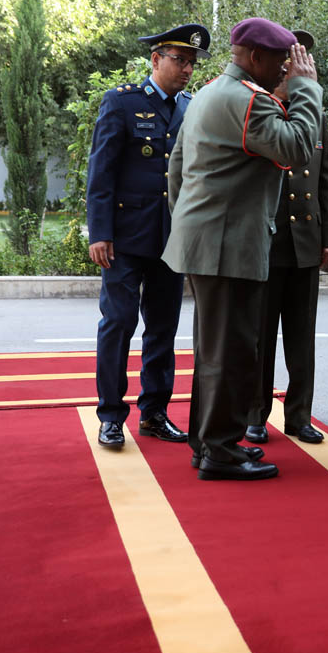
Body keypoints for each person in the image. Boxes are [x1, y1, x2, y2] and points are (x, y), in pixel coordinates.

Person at [163, 17, 321, 481]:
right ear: (255, 57)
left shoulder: (210, 93)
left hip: (209, 242)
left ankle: (208, 443)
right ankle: (220, 451)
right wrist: (306, 89)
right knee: (231, 353)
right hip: (227, 246)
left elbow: (177, 169)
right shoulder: (249, 100)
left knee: (215, 352)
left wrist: (193, 223)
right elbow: (296, 147)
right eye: (281, 61)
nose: (286, 69)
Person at [87, 24, 210, 449]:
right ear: (155, 60)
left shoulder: (191, 108)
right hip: (123, 238)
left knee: (162, 328)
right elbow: (101, 172)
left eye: (191, 62)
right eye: (179, 60)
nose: (187, 69)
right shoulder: (122, 102)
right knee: (118, 323)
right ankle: (110, 415)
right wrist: (100, 232)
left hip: (171, 238)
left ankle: (155, 412)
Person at [246, 29, 328, 446]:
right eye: (286, 60)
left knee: (302, 340)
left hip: (304, 242)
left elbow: (325, 178)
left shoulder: (315, 114)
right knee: (260, 339)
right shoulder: (259, 108)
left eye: (297, 61)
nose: (290, 68)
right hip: (267, 241)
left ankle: (299, 416)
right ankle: (255, 415)